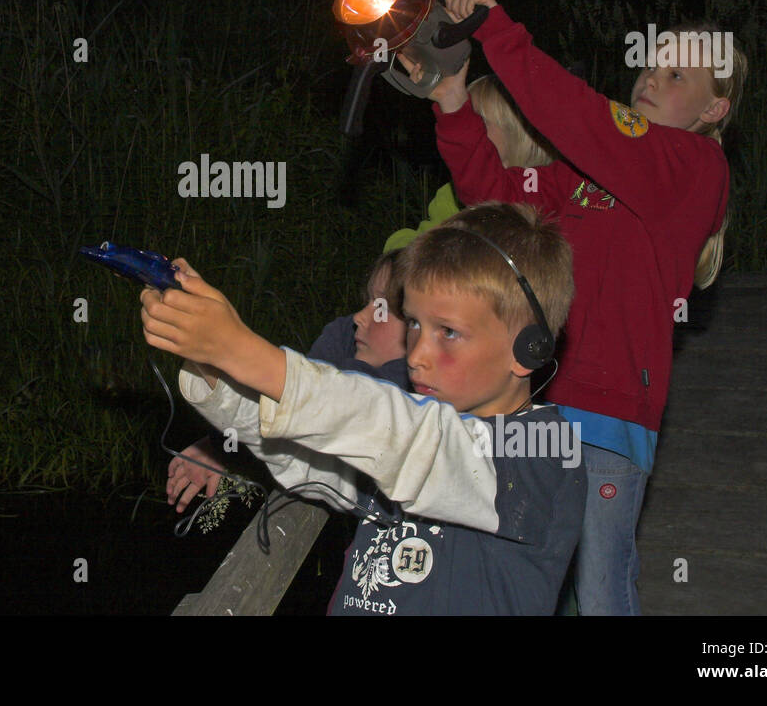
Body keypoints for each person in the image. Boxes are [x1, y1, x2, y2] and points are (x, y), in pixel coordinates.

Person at [402, 0, 745, 614]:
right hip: (535, 408)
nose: (652, 76)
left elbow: (582, 118)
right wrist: (452, 100)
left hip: (610, 423)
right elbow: (497, 201)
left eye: (678, 75)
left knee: (600, 591)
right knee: (518, 589)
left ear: (714, 108)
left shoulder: (698, 169)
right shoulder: (583, 180)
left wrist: (500, 34)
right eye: (652, 61)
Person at [141, 202, 586, 615]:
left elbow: (406, 438)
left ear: (527, 350)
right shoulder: (408, 435)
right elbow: (306, 456)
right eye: (414, 323)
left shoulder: (543, 450)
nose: (416, 356)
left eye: (448, 331)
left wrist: (245, 351)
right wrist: (216, 369)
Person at [166, 248, 409, 514]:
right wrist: (221, 446)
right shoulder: (343, 340)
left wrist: (224, 348)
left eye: (382, 307)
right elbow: (294, 422)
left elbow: (319, 410)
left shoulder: (410, 407)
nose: (360, 317)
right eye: (368, 301)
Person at [382, 73, 556, 253]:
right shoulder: (452, 195)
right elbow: (413, 245)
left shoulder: (551, 192)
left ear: (519, 134)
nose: (467, 127)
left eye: (478, 121)